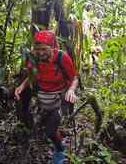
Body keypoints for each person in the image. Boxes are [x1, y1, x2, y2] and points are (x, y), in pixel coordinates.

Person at [14, 30, 79, 164]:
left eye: (44, 49)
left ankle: (60, 150)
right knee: (20, 98)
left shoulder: (62, 58)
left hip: (59, 98)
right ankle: (32, 123)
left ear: (53, 47)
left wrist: (71, 90)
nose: (40, 52)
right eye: (37, 49)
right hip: (42, 96)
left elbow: (74, 78)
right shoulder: (33, 57)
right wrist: (22, 86)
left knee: (50, 130)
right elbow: (32, 74)